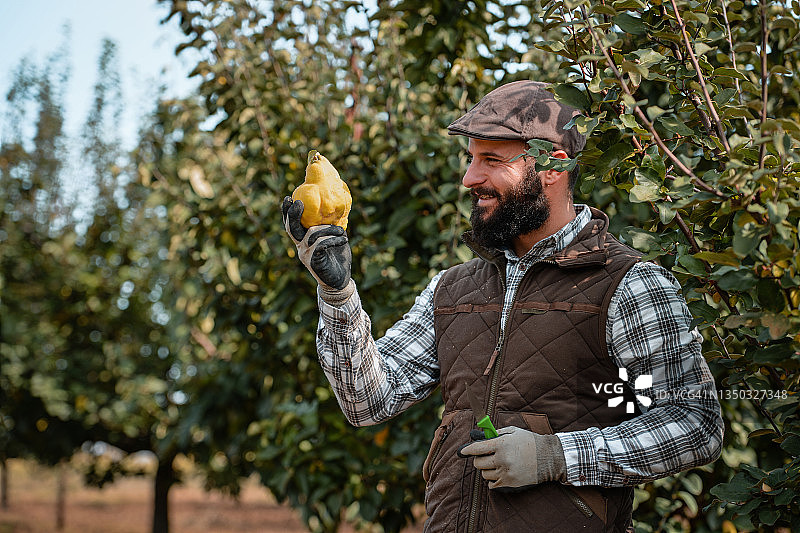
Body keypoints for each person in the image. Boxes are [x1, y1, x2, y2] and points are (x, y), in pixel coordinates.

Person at [282, 80, 723, 533]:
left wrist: (556, 457)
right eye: (471, 158)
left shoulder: (627, 284)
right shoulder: (452, 289)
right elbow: (367, 402)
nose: (469, 178)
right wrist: (337, 293)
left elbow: (696, 422)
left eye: (491, 160)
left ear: (554, 166)